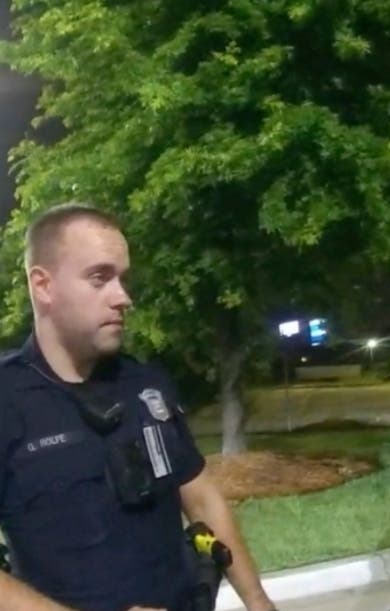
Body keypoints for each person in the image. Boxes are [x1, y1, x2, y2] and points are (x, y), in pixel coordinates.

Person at [0, 204, 278, 611]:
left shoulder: (146, 384)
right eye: (99, 278)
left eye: (123, 279)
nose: (123, 298)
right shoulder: (6, 398)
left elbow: (199, 495)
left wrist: (258, 602)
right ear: (43, 286)